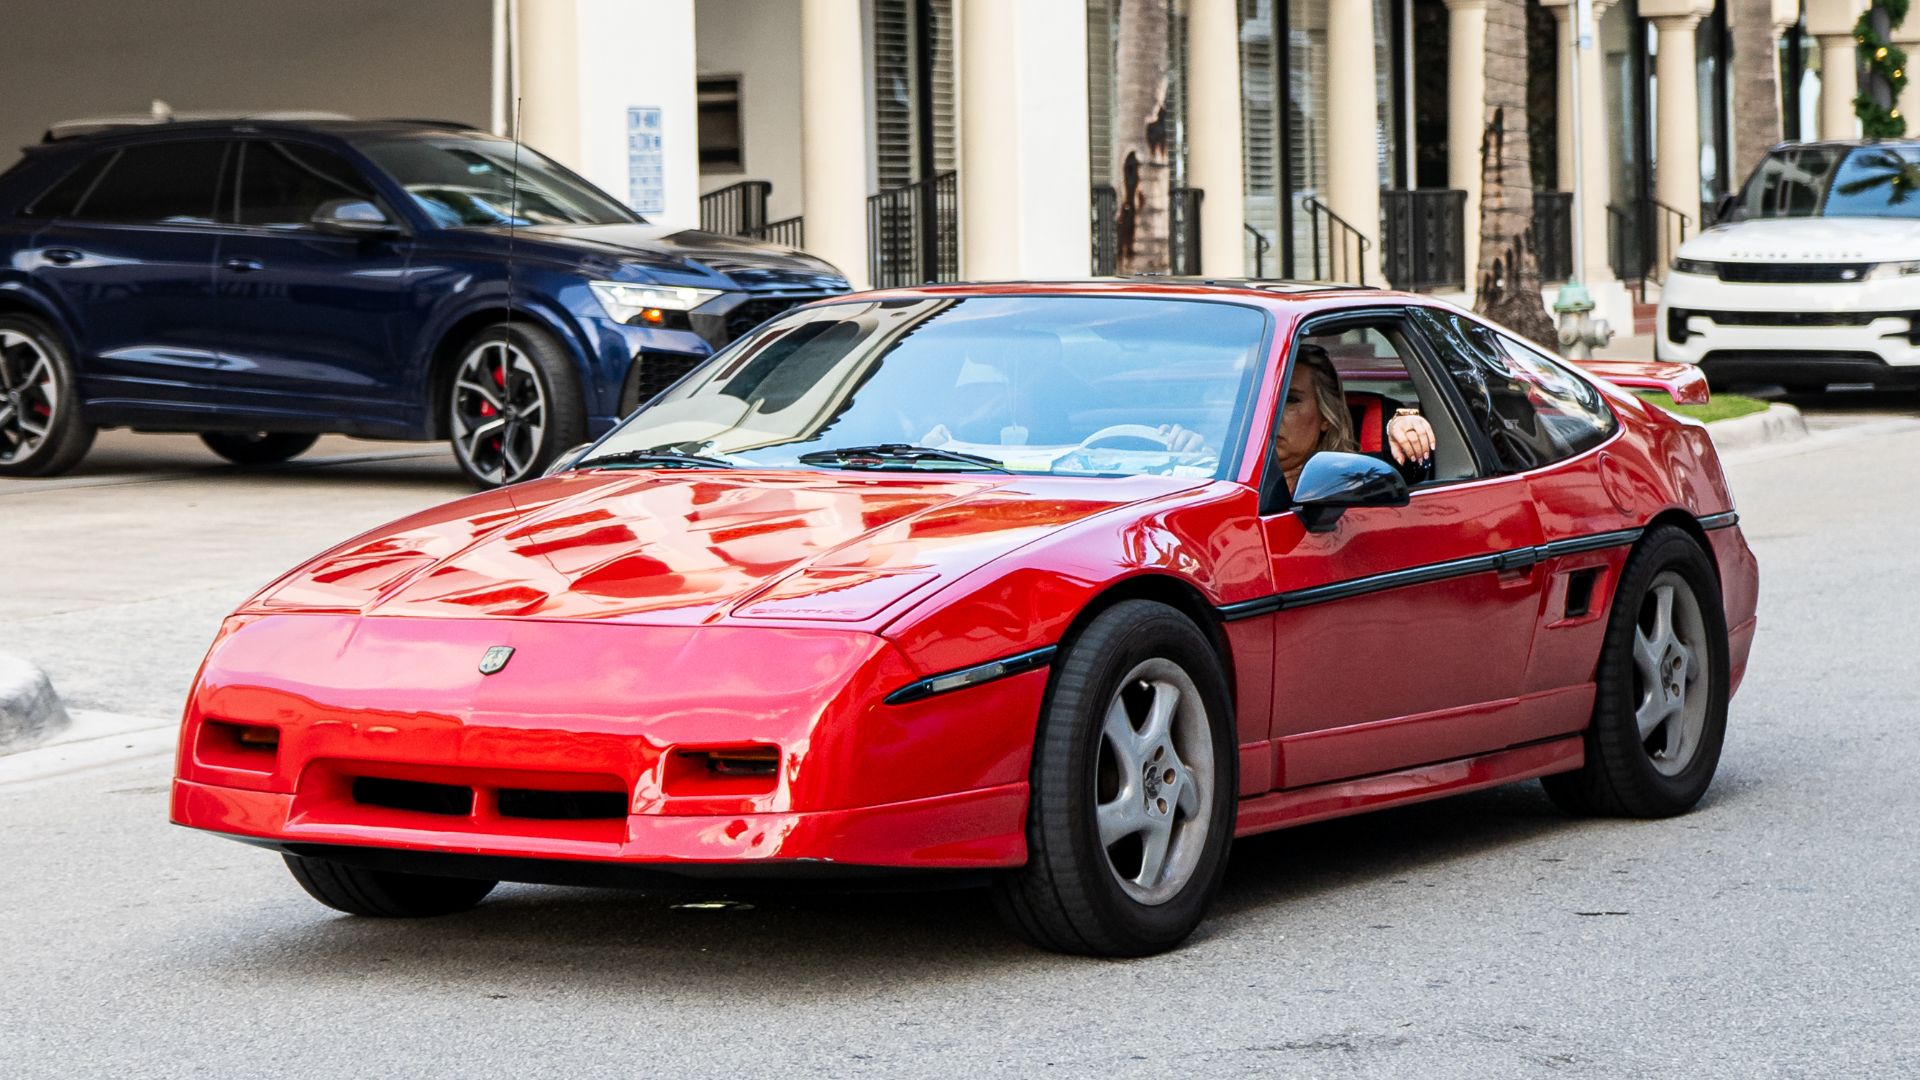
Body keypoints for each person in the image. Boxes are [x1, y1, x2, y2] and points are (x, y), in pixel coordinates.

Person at [1277, 343, 1435, 490]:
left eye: (1290, 400)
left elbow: (1410, 468)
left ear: (1325, 417)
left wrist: (1402, 426)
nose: (1273, 416)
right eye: (1262, 401)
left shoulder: (1352, 475)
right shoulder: (1252, 472)